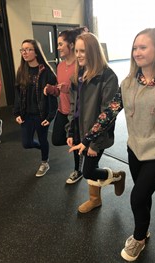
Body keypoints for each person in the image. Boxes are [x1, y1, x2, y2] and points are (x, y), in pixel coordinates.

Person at [69, 28, 155, 261]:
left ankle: (139, 238)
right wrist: (87, 139)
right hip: (135, 150)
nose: (137, 52)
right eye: (134, 48)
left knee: (137, 196)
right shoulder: (128, 83)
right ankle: (145, 228)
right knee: (145, 196)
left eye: (143, 47)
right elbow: (108, 114)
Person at [67, 32, 126, 213]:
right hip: (80, 129)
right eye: (76, 50)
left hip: (95, 134)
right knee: (87, 166)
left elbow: (108, 114)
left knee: (88, 171)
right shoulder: (79, 74)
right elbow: (74, 106)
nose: (78, 55)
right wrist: (70, 131)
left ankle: (115, 176)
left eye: (83, 51)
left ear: (93, 51)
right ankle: (95, 200)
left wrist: (94, 143)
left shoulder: (108, 77)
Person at [44, 27, 88, 184]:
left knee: (75, 140)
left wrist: (68, 88)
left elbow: (84, 92)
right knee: (56, 139)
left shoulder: (81, 66)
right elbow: (60, 90)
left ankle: (78, 170)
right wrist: (53, 90)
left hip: (76, 113)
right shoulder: (60, 66)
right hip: (62, 110)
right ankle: (81, 143)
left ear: (71, 45)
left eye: (60, 44)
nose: (58, 48)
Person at [14, 39, 57, 177]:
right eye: (22, 50)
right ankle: (43, 148)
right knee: (26, 143)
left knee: (43, 138)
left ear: (36, 52)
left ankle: (45, 162)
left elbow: (53, 96)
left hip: (41, 113)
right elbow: (18, 94)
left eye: (28, 49)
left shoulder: (46, 71)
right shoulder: (21, 71)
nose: (24, 53)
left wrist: (50, 116)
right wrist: (17, 113)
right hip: (26, 114)